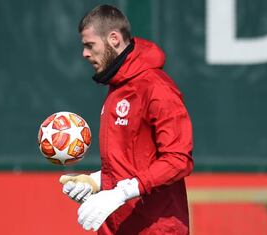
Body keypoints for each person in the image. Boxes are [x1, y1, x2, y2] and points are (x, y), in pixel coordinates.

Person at [59, 4, 194, 235]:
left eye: (90, 45)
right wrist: (96, 182)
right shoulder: (117, 86)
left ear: (113, 38)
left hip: (155, 229)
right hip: (118, 227)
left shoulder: (157, 88)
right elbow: (133, 161)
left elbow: (178, 159)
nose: (85, 54)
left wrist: (121, 193)